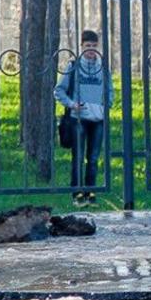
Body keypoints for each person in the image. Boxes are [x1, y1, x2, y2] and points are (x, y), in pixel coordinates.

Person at [54, 30, 114, 206]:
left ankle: (90, 191)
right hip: (78, 118)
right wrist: (71, 104)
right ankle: (77, 192)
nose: (91, 50)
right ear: (81, 47)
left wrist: (106, 106)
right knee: (78, 157)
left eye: (94, 46)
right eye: (88, 46)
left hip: (98, 118)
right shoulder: (73, 66)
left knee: (93, 157)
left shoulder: (103, 68)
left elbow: (109, 90)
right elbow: (59, 90)